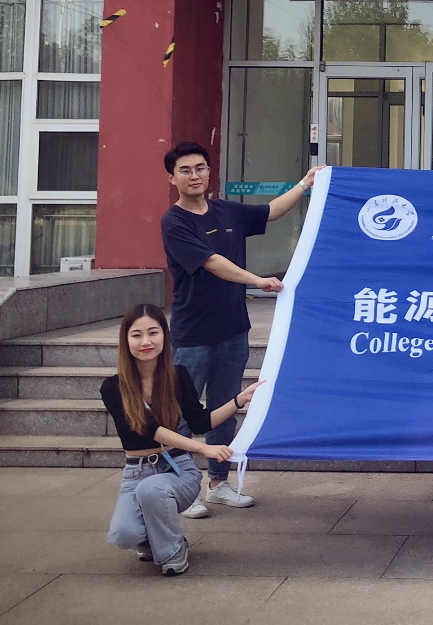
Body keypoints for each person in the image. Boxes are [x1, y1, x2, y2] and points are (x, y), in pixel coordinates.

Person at [160, 140, 322, 517]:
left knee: (226, 406)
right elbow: (212, 262)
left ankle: (218, 483)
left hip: (233, 330)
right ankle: (181, 489)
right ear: (172, 178)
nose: (195, 175)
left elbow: (271, 212)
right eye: (185, 170)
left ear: (209, 172)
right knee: (182, 412)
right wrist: (257, 280)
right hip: (193, 335)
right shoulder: (175, 221)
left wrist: (306, 183)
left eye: (200, 168)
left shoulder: (226, 210)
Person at [102, 304, 263, 576]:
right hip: (135, 473)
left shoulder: (177, 376)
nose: (146, 341)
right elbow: (149, 429)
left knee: (152, 490)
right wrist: (204, 448)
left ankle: (174, 549)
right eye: (137, 335)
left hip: (177, 468)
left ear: (164, 336)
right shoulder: (113, 387)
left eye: (153, 333)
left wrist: (239, 400)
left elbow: (200, 422)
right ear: (125, 340)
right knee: (123, 535)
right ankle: (156, 540)